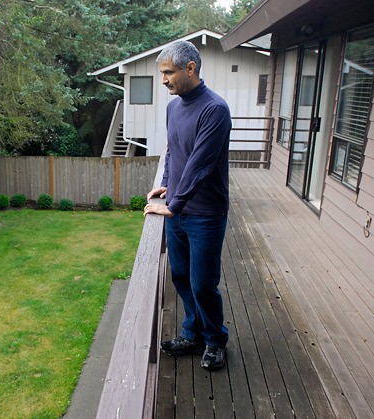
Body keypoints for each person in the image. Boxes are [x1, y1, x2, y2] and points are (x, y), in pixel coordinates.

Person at [144, 40, 231, 371]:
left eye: (168, 73)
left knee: (202, 283)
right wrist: (166, 183)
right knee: (180, 275)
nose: (164, 80)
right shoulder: (174, 107)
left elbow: (200, 163)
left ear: (190, 68)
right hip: (177, 209)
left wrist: (173, 204)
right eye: (162, 73)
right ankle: (192, 333)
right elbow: (174, 152)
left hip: (205, 214)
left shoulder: (214, 109)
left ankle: (215, 340)